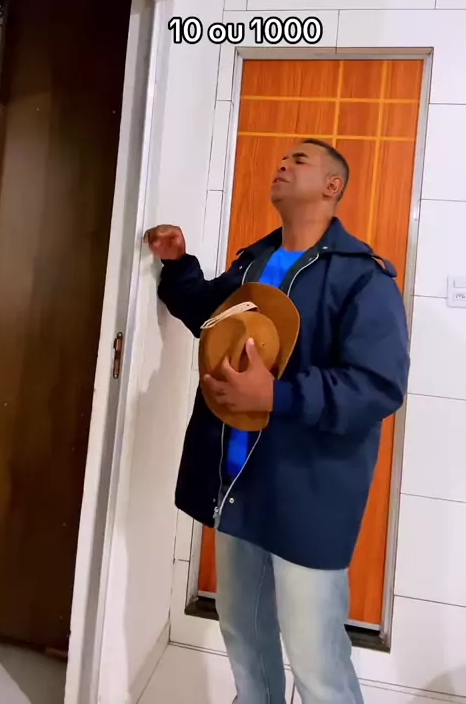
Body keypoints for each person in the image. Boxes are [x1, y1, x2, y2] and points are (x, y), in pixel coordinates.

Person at [145, 138, 410, 704]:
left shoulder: (362, 278)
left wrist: (279, 395)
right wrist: (177, 263)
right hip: (237, 483)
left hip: (308, 494)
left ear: (332, 186)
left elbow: (378, 386)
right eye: (283, 159)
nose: (283, 164)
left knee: (316, 659)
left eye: (300, 160)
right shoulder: (255, 262)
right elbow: (210, 315)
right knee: (244, 636)